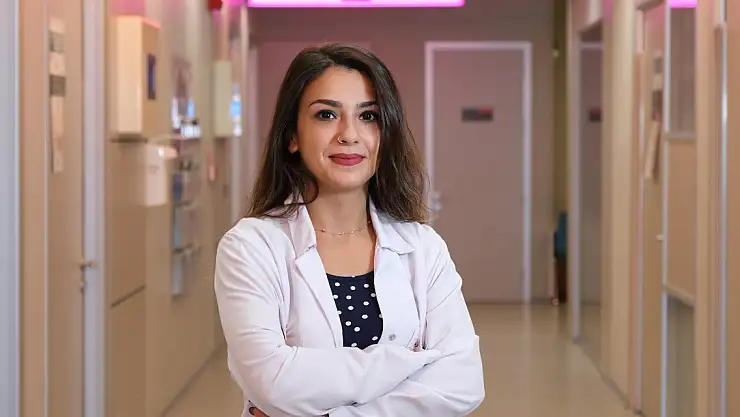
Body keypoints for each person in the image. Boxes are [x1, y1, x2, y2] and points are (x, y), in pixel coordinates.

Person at [214, 43, 484, 417]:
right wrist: (407, 362)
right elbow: (272, 381)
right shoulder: (250, 246)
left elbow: (463, 384)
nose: (349, 134)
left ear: (385, 135)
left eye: (368, 116)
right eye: (326, 115)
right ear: (292, 136)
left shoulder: (423, 248)